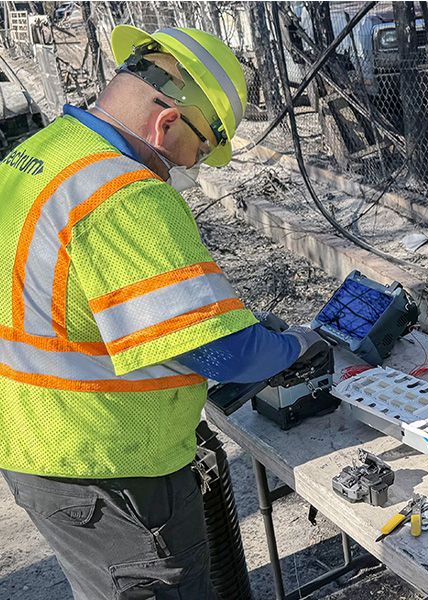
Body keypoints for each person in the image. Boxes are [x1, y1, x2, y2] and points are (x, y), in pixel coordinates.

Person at [0, 25, 326, 600]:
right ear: (167, 122)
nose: (182, 170)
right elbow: (227, 352)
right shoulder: (124, 191)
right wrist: (298, 344)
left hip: (39, 441)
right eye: (196, 153)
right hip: (113, 464)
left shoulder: (41, 152)